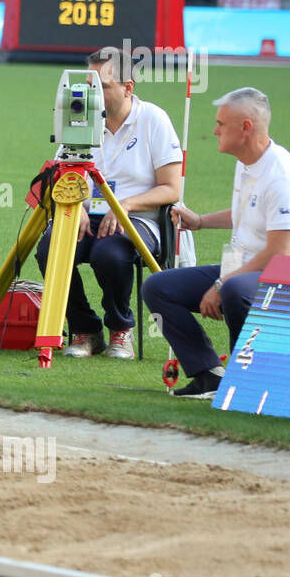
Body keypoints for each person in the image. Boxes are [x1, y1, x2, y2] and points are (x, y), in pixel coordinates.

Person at [143, 88, 290, 398]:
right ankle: (208, 374)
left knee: (233, 290)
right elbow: (247, 212)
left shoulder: (282, 176)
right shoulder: (248, 162)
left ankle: (250, 382)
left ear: (246, 128)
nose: (214, 130)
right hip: (252, 268)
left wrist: (220, 282)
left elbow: (279, 253)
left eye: (221, 124)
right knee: (158, 286)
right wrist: (200, 222)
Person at [36, 48, 182, 359]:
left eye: (102, 86)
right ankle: (85, 329)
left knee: (110, 253)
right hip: (87, 214)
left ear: (128, 86)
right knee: (49, 248)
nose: (94, 95)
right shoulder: (79, 114)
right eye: (90, 86)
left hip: (139, 219)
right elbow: (61, 173)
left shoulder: (153, 119)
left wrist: (124, 205)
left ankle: (120, 329)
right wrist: (78, 206)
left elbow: (172, 189)